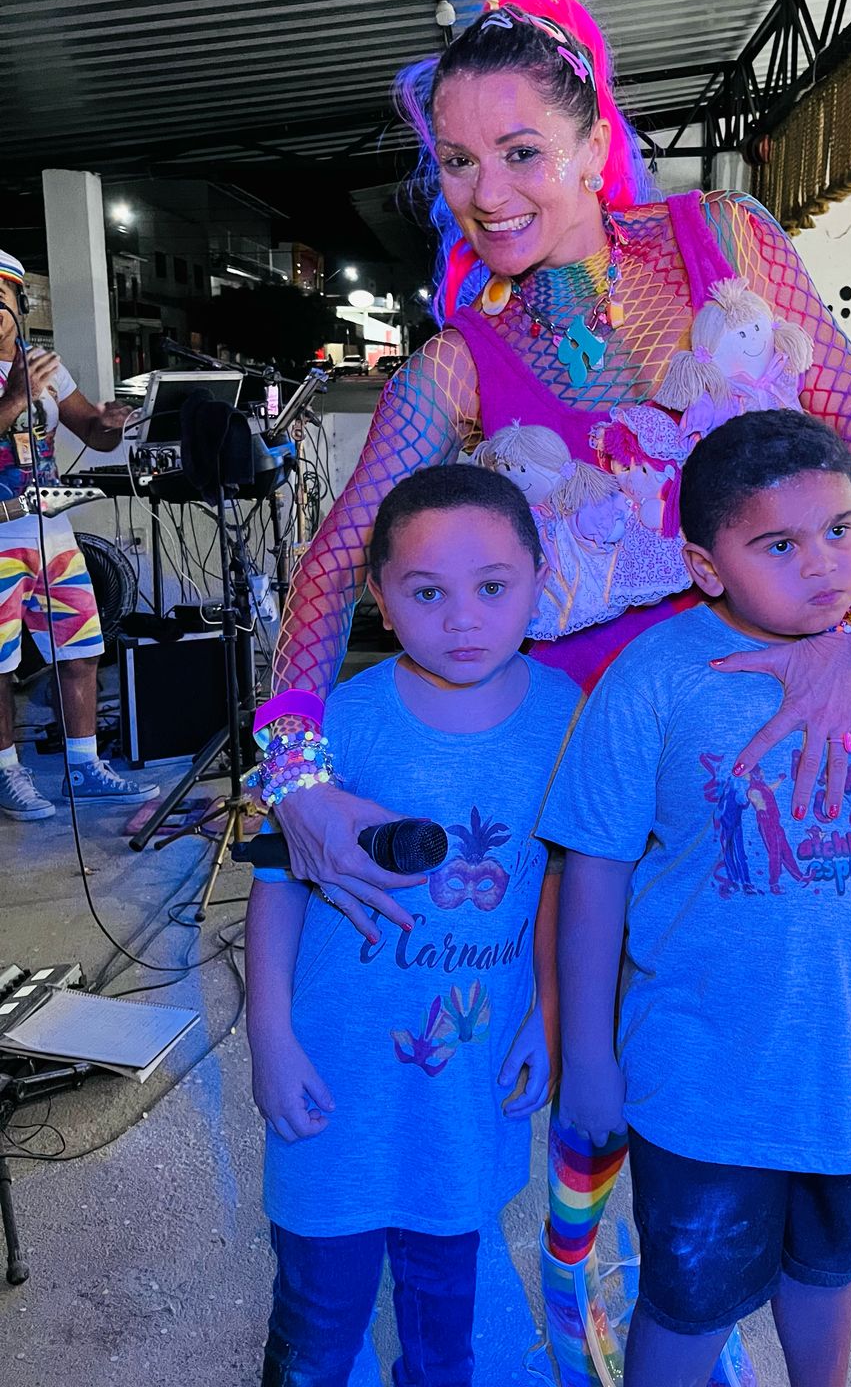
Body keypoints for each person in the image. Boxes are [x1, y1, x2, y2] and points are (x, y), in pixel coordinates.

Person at [259, 0, 851, 936]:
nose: (488, 193)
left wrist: (849, 631)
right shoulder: (455, 365)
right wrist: (294, 780)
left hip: (772, 717)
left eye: (521, 151)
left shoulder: (723, 238)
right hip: (580, 780)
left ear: (594, 144)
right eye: (459, 160)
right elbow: (333, 562)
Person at [543, 410, 851, 1387]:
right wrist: (586, 1054)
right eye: (779, 545)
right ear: (706, 567)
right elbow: (594, 871)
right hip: (703, 1081)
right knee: (688, 1302)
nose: (823, 563)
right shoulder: (655, 679)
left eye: (839, 527)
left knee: (826, 1270)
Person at [246, 464, 580, 1386]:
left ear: (540, 580)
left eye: (492, 587)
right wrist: (268, 1034)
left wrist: (550, 1016)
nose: (463, 619)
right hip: (335, 1079)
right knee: (318, 1326)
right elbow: (276, 881)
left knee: (444, 1320)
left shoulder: (570, 721)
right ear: (381, 601)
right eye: (428, 593)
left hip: (465, 1087)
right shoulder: (336, 727)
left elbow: (564, 879)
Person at [0, 249, 156, 818]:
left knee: (82, 645)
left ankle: (84, 766)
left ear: (19, 303)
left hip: (51, 529)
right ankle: (6, 771)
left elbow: (91, 428)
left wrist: (111, 424)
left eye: (1, 295)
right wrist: (14, 398)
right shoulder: (24, 378)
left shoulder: (42, 363)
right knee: (1, 663)